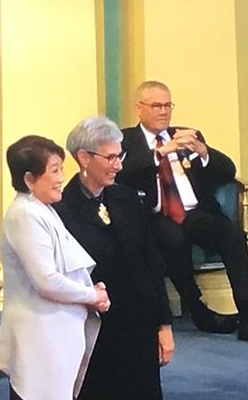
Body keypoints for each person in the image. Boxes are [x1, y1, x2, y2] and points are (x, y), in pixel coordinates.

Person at [117, 80, 248, 344]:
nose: (163, 111)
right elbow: (123, 173)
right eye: (156, 105)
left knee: (231, 234)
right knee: (172, 238)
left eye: (168, 105)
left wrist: (202, 151)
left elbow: (227, 171)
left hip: (196, 213)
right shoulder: (126, 139)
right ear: (139, 108)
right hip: (155, 215)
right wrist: (160, 153)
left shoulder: (188, 135)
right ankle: (198, 309)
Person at [54, 117, 174, 400]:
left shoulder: (128, 198)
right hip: (93, 328)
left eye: (120, 155)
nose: (118, 165)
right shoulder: (61, 209)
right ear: (84, 158)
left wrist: (164, 324)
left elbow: (150, 261)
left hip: (138, 323)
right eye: (110, 157)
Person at [0, 135, 111, 400]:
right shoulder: (24, 215)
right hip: (40, 336)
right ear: (29, 179)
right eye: (54, 171)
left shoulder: (43, 210)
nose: (61, 178)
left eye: (61, 169)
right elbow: (46, 280)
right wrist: (93, 296)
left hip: (56, 334)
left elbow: (63, 267)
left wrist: (87, 287)